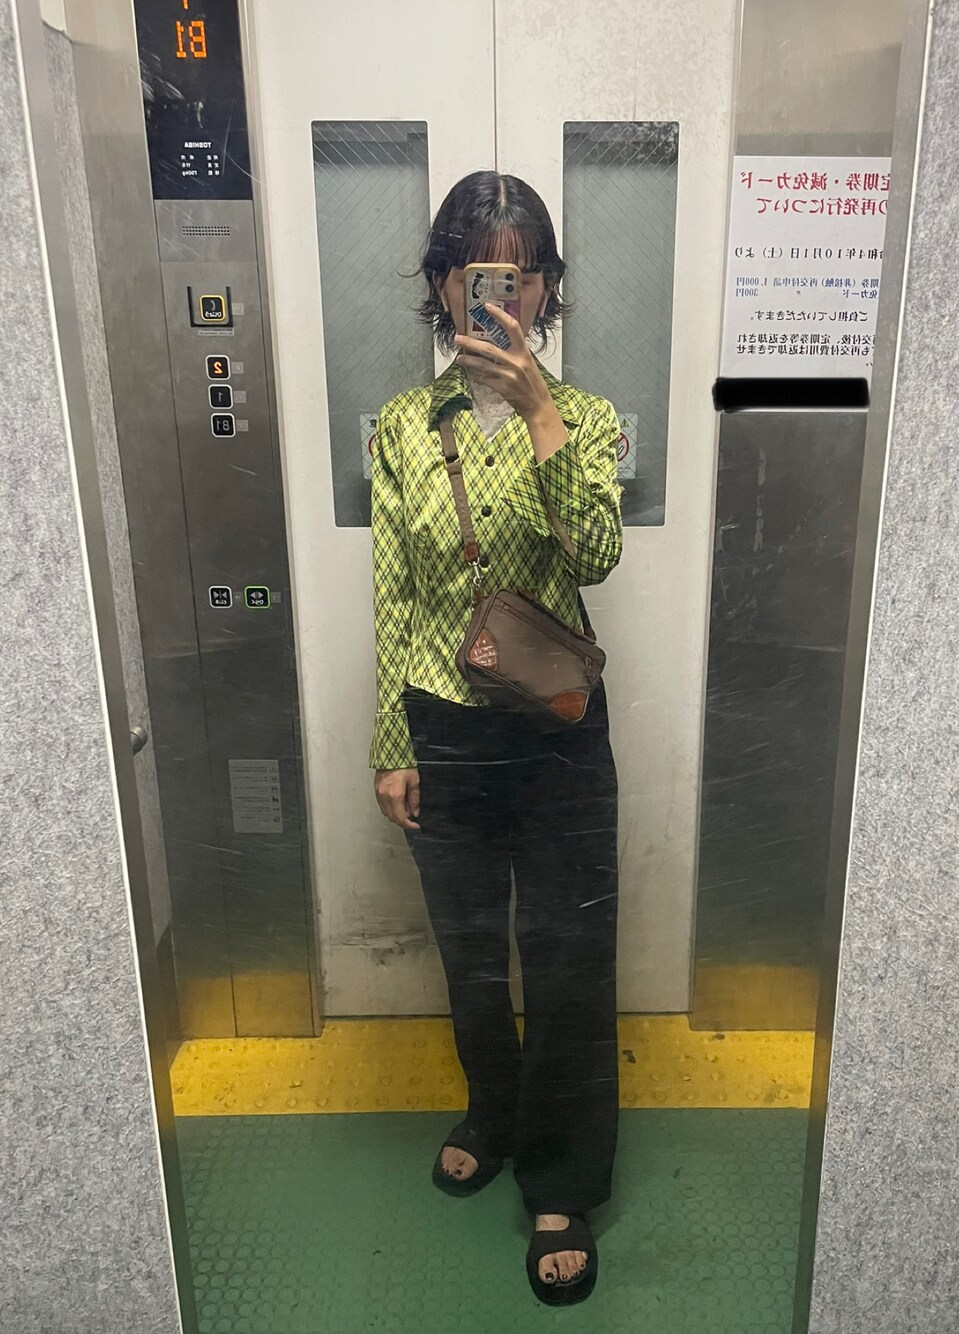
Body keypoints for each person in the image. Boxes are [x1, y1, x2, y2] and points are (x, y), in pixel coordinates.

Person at [369, 171, 622, 1306]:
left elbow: (595, 555)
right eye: (479, 275)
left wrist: (537, 414)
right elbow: (396, 591)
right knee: (471, 953)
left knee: (568, 959)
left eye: (521, 278)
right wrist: (391, 740)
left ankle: (562, 1180)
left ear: (547, 290)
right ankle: (494, 1109)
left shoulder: (587, 417)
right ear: (441, 287)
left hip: (557, 733)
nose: (501, 298)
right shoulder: (401, 427)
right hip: (443, 723)